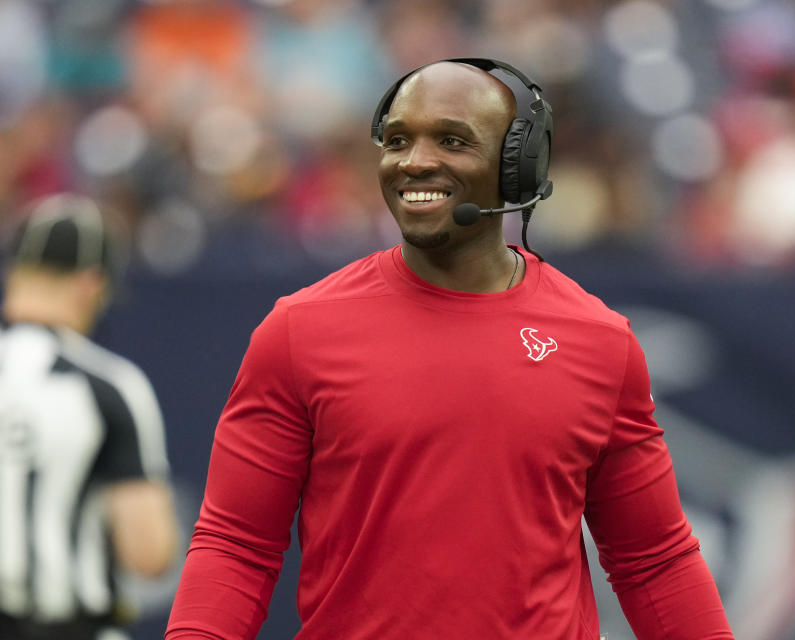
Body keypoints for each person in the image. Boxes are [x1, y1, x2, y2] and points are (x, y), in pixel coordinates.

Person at [165, 59, 734, 639]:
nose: (414, 161)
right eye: (397, 140)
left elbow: (654, 560)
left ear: (518, 166)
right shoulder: (299, 330)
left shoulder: (600, 341)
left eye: (453, 140)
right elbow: (236, 545)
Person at [0, 193, 180, 640]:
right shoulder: (107, 385)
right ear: (91, 284)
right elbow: (149, 553)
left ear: (15, 270)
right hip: (69, 625)